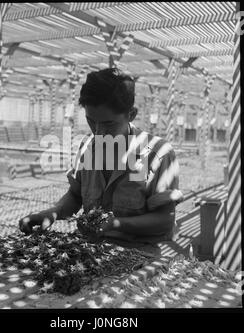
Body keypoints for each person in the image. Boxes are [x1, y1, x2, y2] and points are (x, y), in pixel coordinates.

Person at [19, 68, 183, 246]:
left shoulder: (156, 154)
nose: (98, 132)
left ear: (131, 114)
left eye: (108, 124)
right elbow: (75, 196)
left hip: (140, 255)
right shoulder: (88, 146)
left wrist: (117, 224)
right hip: (90, 250)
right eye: (91, 121)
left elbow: (164, 220)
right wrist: (53, 212)